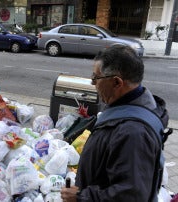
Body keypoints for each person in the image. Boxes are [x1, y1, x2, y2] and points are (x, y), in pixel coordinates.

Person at [61, 45, 169, 202]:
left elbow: (132, 196)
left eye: (95, 78)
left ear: (117, 83)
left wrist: (81, 197)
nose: (92, 83)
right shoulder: (129, 105)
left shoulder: (133, 133)